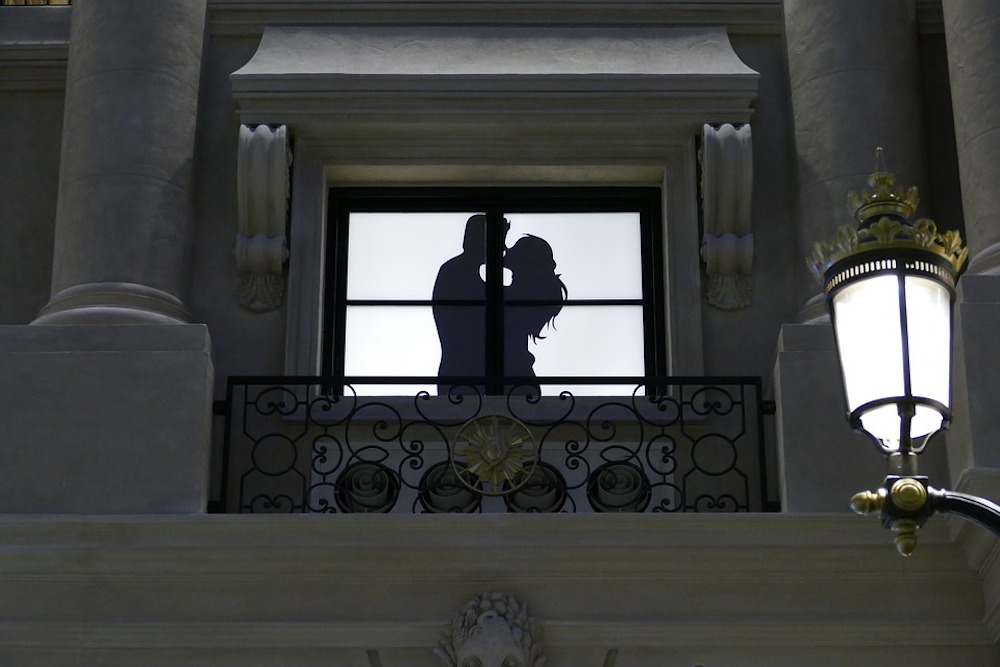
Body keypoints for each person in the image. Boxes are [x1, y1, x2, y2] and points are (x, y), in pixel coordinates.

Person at [503, 234, 567, 393]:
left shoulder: (512, 299)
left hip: (516, 382)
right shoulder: (520, 296)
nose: (508, 250)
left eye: (517, 249)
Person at [432, 215, 488, 395]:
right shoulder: (455, 274)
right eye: (499, 240)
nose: (503, 248)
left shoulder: (452, 271)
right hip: (462, 375)